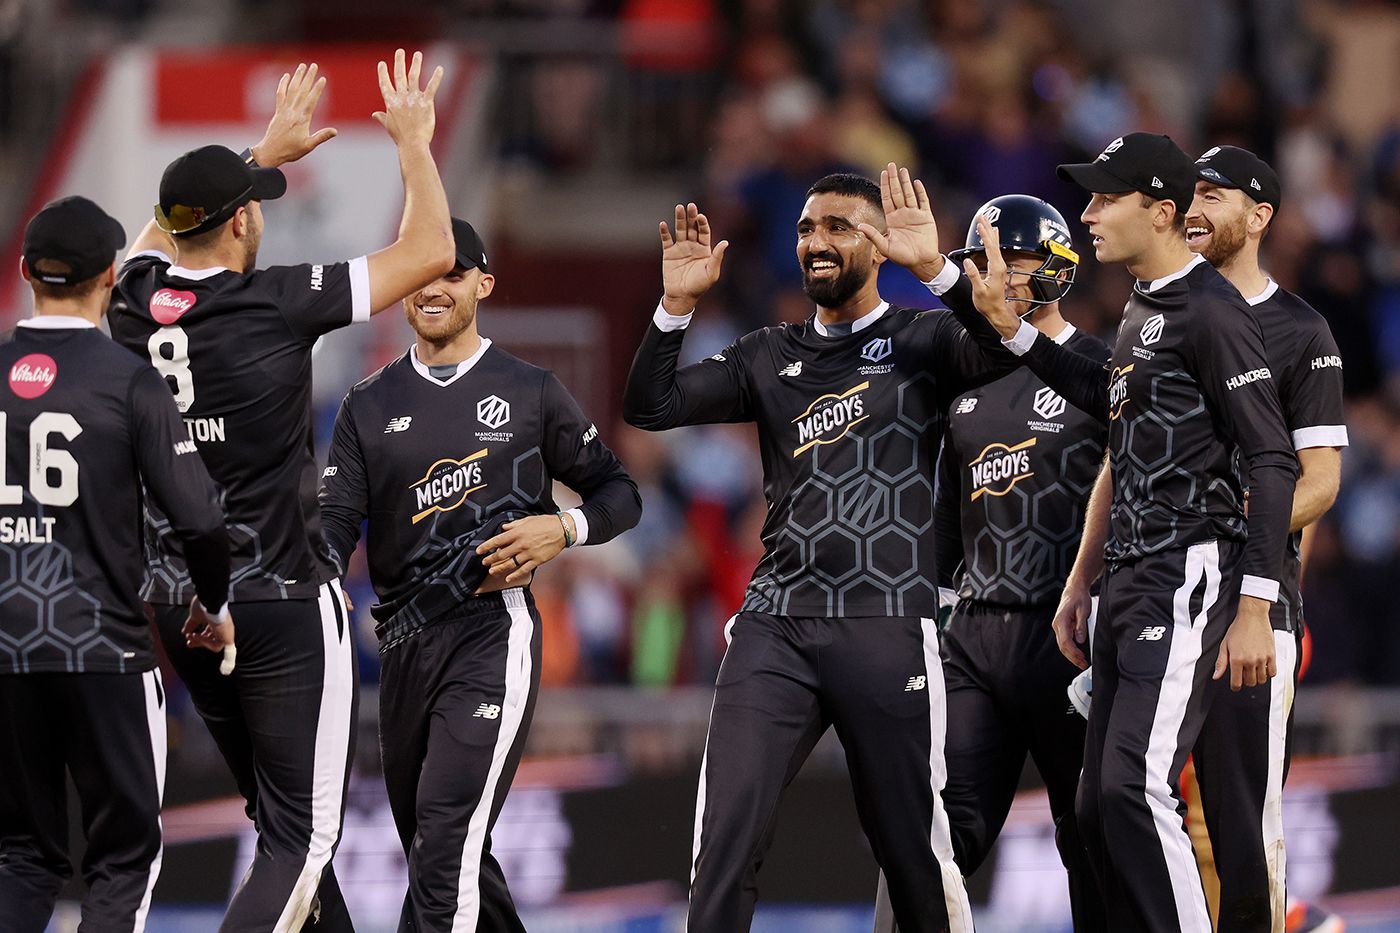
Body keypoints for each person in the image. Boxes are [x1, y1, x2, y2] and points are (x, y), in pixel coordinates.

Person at [623, 164, 1021, 933]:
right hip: (777, 623)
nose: (817, 241)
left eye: (838, 226)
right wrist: (675, 308)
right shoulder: (769, 354)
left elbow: (1006, 350)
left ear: (877, 241)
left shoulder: (924, 339)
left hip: (889, 623)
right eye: (807, 228)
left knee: (913, 855)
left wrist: (933, 267)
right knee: (724, 842)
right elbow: (652, 403)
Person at [107, 51, 455, 931]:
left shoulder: (134, 300)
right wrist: (415, 142)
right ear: (241, 223)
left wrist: (253, 161)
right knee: (302, 843)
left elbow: (150, 245)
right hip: (283, 602)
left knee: (276, 825)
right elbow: (433, 252)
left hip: (180, 602)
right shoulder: (278, 301)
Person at [967, 133, 1298, 931]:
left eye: (1104, 198)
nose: (1086, 214)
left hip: (1185, 570)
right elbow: (1106, 396)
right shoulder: (1147, 305)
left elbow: (1273, 458)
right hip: (1128, 577)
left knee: (1132, 787)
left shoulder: (1213, 312)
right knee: (1093, 801)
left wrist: (1255, 605)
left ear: (1159, 210)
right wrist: (1013, 331)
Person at [317, 218, 641, 931]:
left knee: (443, 846)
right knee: (448, 850)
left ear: (483, 285)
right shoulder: (367, 404)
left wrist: (562, 527)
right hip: (403, 644)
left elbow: (620, 492)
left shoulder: (530, 391)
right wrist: (313, 581)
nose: (434, 288)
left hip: (492, 632)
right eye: (423, 274)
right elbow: (334, 525)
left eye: (452, 273)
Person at [872, 194, 1110, 933]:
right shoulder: (964, 375)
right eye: (985, 262)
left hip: (1073, 638)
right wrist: (933, 617)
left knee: (1097, 840)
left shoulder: (1103, 369)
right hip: (974, 636)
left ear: (1057, 270)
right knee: (928, 832)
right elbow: (949, 512)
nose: (1000, 276)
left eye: (1017, 260)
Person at [0, 196, 231, 932]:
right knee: (122, 859)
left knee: (19, 856)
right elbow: (199, 516)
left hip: (5, 653)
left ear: (27, 269)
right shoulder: (129, 381)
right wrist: (215, 606)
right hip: (103, 648)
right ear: (110, 278)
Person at [1179, 146, 1348, 933]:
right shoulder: (1159, 316)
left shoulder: (1300, 330)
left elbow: (1319, 481)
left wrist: (1232, 523)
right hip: (1153, 600)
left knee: (1237, 825)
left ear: (1261, 216)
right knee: (1137, 810)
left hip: (1251, 602)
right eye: (1190, 194)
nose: (1194, 207)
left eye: (1214, 194)